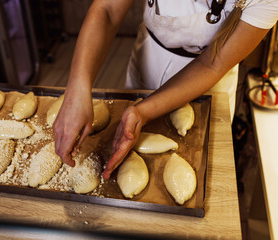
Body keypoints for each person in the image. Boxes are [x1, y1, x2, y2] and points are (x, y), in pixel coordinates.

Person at [52, 0, 278, 180]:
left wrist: (143, 111)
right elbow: (108, 9)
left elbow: (213, 64)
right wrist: (77, 89)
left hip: (209, 79)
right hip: (151, 55)